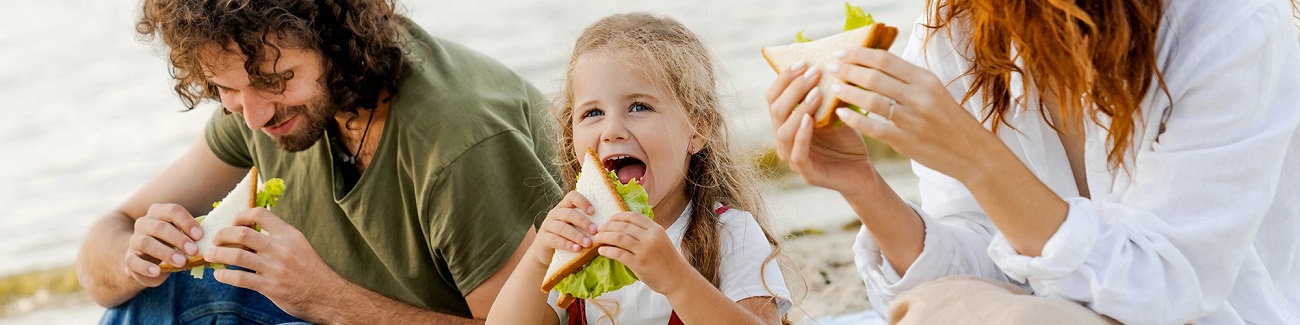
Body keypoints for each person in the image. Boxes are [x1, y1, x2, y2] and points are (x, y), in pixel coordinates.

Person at [765, 0, 1300, 323]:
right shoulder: (956, 21)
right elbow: (985, 263)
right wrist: (864, 187)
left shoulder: (1229, 22)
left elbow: (1166, 288)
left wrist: (977, 158)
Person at [74, 0, 560, 323]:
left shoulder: (458, 141)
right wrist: (136, 259)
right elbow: (106, 241)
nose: (256, 116)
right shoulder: (256, 106)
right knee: (161, 297)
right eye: (226, 89)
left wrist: (326, 297)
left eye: (276, 80)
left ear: (336, 42)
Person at [486, 13, 792, 325]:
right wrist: (540, 257)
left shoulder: (731, 232)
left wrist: (675, 279)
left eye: (639, 107)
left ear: (699, 127)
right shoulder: (579, 239)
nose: (611, 130)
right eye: (593, 112)